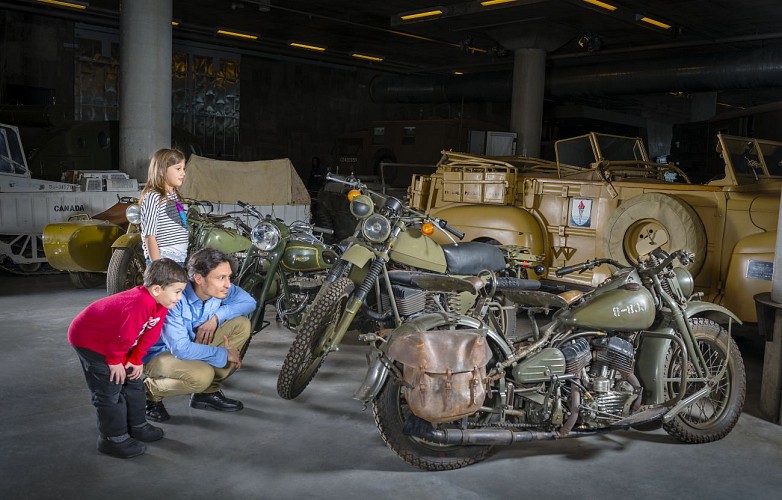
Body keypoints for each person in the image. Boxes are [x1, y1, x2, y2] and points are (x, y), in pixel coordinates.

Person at [68, 258, 188, 459]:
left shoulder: (162, 302)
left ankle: (137, 426)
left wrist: (136, 359)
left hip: (116, 342)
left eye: (181, 292)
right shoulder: (141, 302)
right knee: (110, 389)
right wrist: (115, 362)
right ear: (157, 289)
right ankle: (112, 439)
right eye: (177, 292)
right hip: (91, 340)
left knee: (133, 381)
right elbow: (124, 335)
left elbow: (151, 331)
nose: (179, 297)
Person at [143, 247, 256, 422]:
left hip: (190, 345)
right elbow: (180, 349)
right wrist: (225, 354)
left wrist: (217, 318)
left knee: (241, 324)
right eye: (221, 278)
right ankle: (150, 392)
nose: (228, 284)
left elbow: (249, 302)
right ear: (198, 278)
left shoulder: (220, 290)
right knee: (202, 376)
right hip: (160, 354)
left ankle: (206, 394)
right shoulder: (175, 296)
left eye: (228, 277)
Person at [139, 148, 189, 265]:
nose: (183, 173)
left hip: (178, 260)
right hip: (163, 261)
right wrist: (157, 267)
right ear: (161, 171)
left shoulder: (174, 195)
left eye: (183, 169)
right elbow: (149, 236)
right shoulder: (153, 196)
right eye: (178, 169)